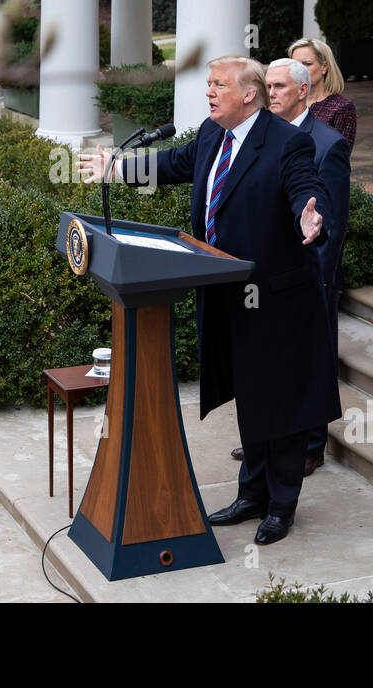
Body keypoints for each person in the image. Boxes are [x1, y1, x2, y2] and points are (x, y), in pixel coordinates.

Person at [78, 56, 332, 545]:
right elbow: (174, 163)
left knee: (279, 403)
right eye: (209, 84)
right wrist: (116, 166)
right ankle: (251, 493)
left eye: (219, 85)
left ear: (250, 94)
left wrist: (308, 215)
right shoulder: (214, 136)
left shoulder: (287, 141)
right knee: (249, 396)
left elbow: (305, 187)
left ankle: (281, 506)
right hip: (227, 291)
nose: (210, 92)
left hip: (276, 301)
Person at [228, 58, 350, 475]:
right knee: (270, 369)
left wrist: (316, 281)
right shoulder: (259, 135)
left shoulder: (327, 143)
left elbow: (328, 219)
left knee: (308, 367)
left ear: (303, 91)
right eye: (268, 86)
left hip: (309, 278)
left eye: (279, 86)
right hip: (266, 279)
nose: (271, 93)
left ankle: (312, 446)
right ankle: (266, 439)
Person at [288, 38, 357, 149]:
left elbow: (339, 155)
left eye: (307, 64)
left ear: (324, 67)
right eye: (295, 65)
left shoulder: (341, 107)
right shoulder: (284, 101)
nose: (299, 70)